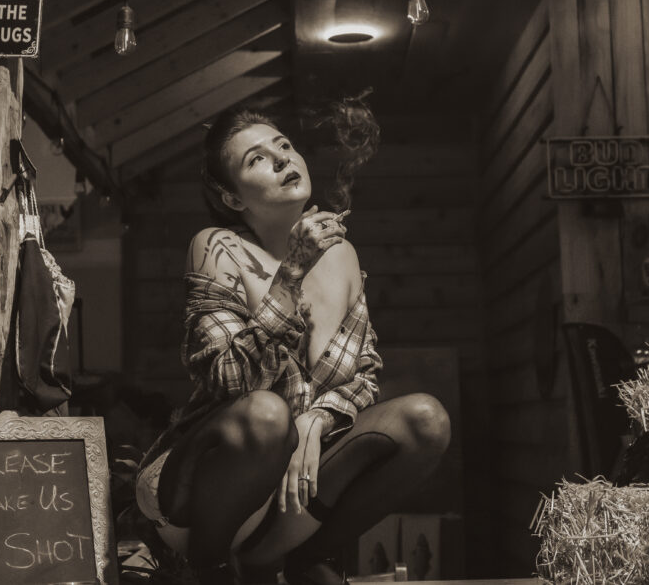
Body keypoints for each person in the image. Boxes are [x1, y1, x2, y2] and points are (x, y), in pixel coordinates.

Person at [134, 108, 451, 585]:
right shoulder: (217, 246)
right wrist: (290, 275)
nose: (283, 159)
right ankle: (208, 569)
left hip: (296, 490)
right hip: (207, 493)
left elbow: (365, 373)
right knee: (266, 414)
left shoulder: (341, 252)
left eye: (283, 145)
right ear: (231, 196)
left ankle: (289, 559)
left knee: (426, 420)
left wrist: (317, 418)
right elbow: (227, 380)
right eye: (257, 159)